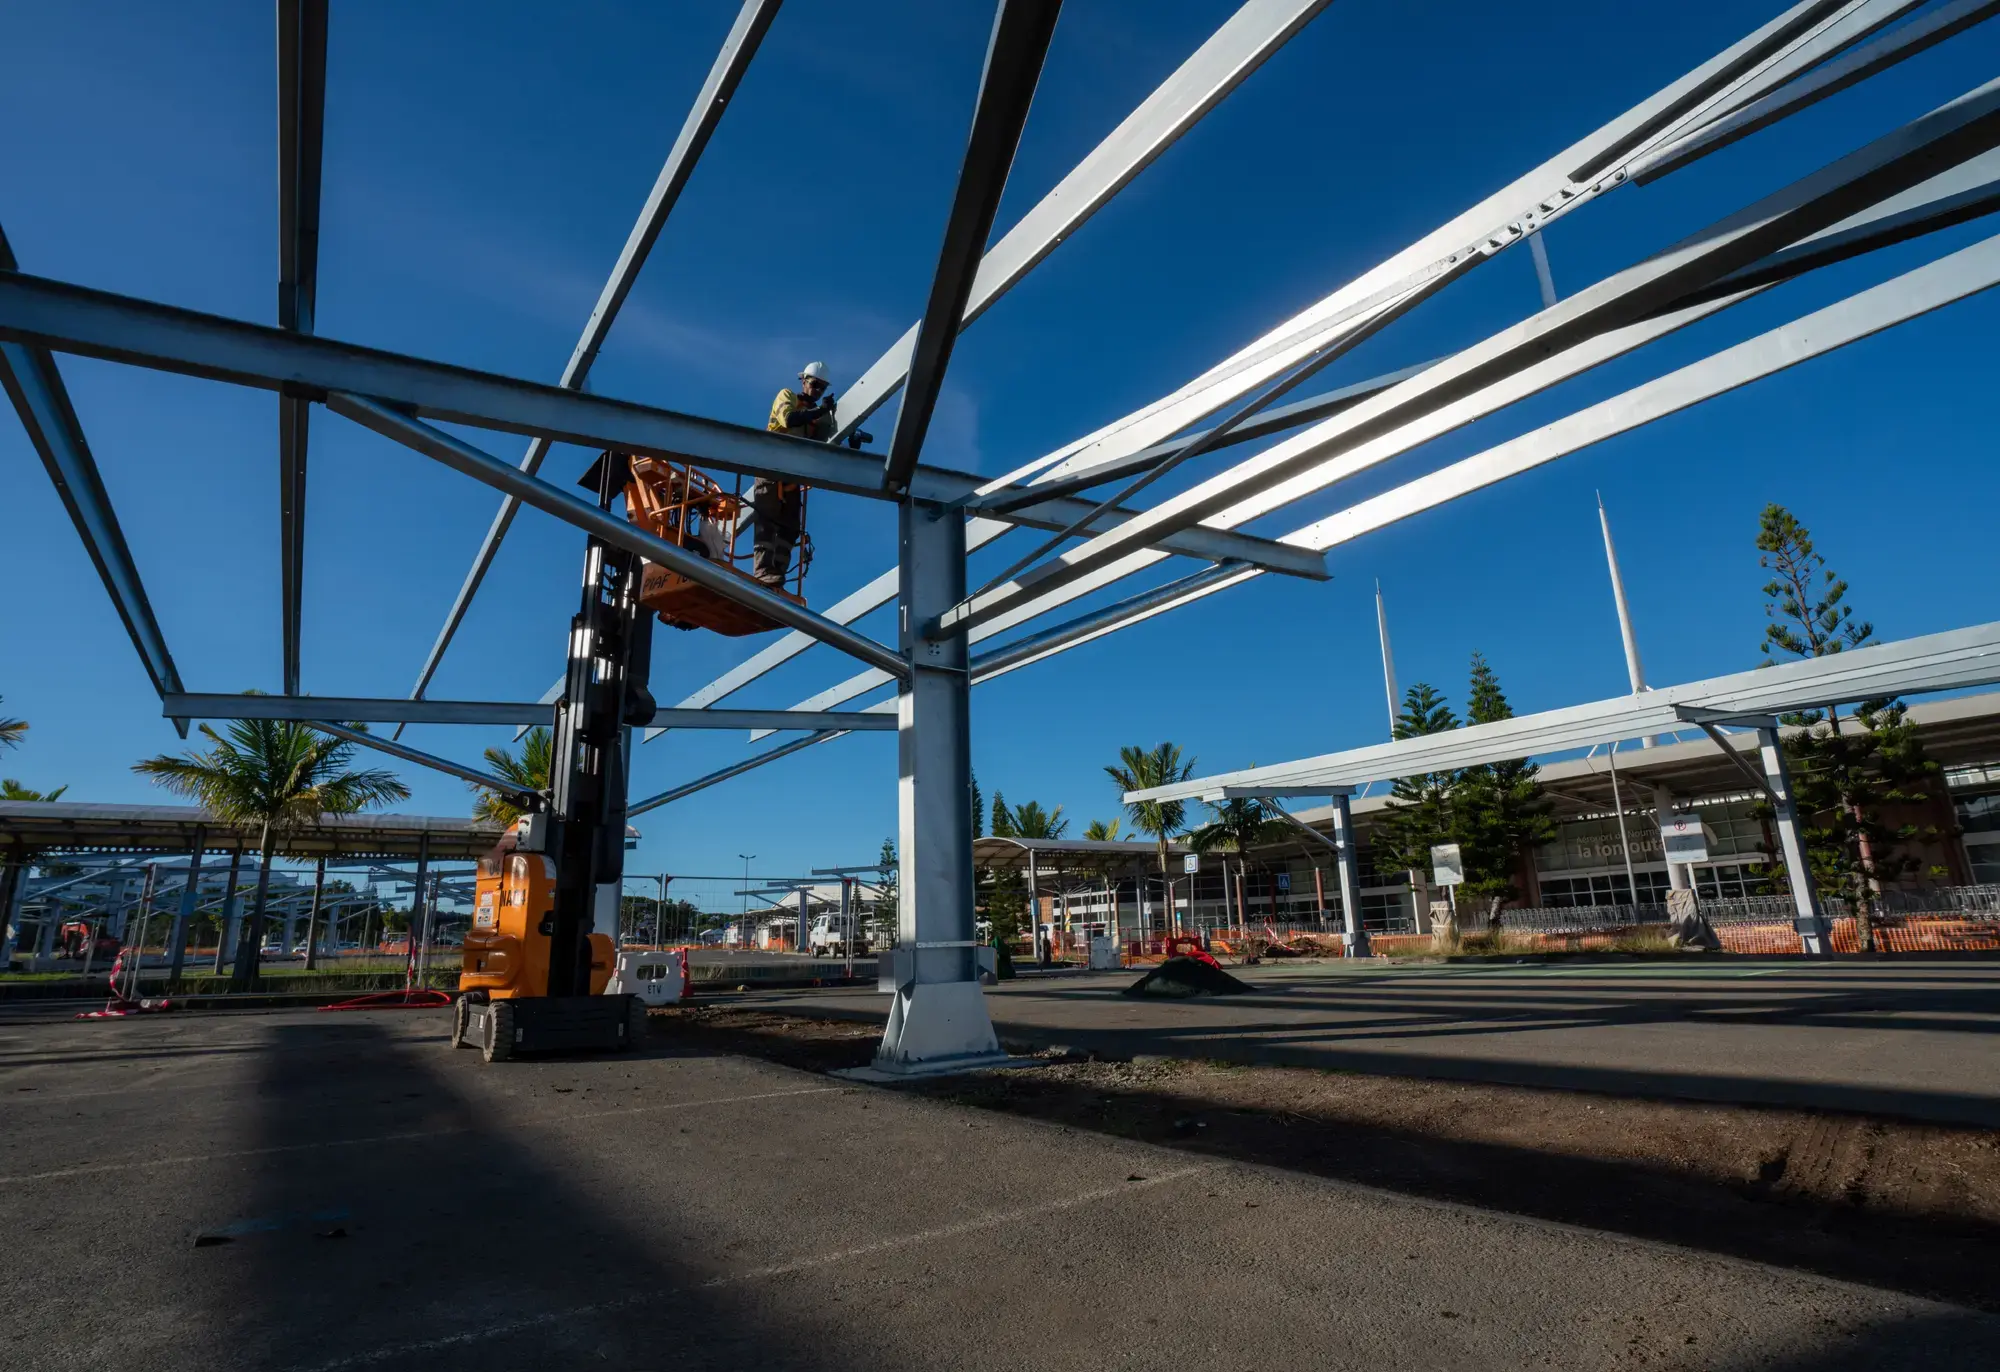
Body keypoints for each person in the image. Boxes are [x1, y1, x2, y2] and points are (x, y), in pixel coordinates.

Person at [753, 362, 836, 584]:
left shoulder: (820, 417)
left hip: (792, 475)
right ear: (804, 381)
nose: (817, 390)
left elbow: (822, 446)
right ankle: (762, 571)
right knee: (767, 520)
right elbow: (789, 419)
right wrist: (820, 411)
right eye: (815, 384)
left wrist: (829, 420)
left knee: (790, 527)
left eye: (822, 387)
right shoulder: (787, 395)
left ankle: (777, 573)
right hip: (771, 466)